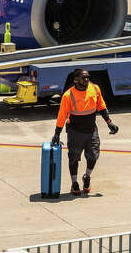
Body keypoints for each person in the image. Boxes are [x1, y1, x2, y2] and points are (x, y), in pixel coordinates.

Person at [53, 68, 118, 196]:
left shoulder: (94, 89)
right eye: (84, 78)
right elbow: (62, 115)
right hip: (75, 131)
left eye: (88, 77)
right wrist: (57, 133)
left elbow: (101, 105)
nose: (87, 80)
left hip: (91, 130)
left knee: (93, 156)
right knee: (74, 158)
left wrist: (109, 122)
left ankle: (87, 177)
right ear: (76, 79)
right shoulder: (68, 95)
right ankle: (74, 183)